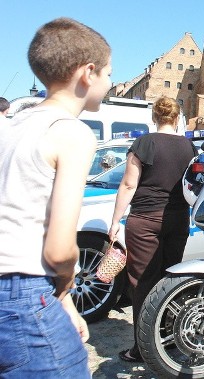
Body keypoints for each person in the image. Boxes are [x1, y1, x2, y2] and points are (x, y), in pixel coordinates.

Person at [0, 18, 112, 377]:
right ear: (88, 73)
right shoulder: (71, 133)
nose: (110, 83)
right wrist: (64, 295)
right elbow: (59, 250)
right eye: (109, 74)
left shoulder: (13, 125)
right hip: (26, 292)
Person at [108, 96, 198, 363]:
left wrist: (115, 220)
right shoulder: (188, 146)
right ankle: (168, 340)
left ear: (154, 118)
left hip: (145, 219)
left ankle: (142, 347)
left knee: (143, 283)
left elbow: (128, 185)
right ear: (177, 117)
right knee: (169, 280)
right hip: (178, 218)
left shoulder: (144, 143)